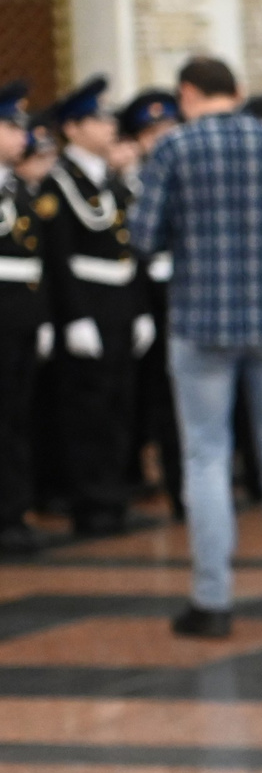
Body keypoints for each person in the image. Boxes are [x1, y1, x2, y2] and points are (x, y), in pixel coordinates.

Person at [130, 57, 262, 638]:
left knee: (206, 457)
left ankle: (212, 600)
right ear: (238, 92)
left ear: (187, 93)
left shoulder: (173, 149)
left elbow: (143, 236)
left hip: (200, 320)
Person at [38, 76, 148, 537]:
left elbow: (130, 248)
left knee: (120, 404)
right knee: (87, 411)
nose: (109, 127)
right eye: (99, 119)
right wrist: (74, 316)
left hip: (120, 304)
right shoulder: (59, 183)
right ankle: (92, 503)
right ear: (74, 128)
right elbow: (57, 259)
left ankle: (114, 496)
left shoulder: (109, 181)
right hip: (87, 306)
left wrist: (140, 307)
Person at [118, 90, 185, 517]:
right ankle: (141, 475)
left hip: (184, 293)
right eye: (152, 132)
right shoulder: (130, 184)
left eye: (168, 129)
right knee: (148, 397)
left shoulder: (184, 176)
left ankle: (183, 487)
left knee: (181, 398)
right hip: (144, 299)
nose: (162, 138)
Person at [0, 82, 43, 557]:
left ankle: (13, 511)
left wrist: (46, 319)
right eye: (10, 127)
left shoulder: (16, 188)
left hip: (20, 319)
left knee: (15, 418)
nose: (21, 138)